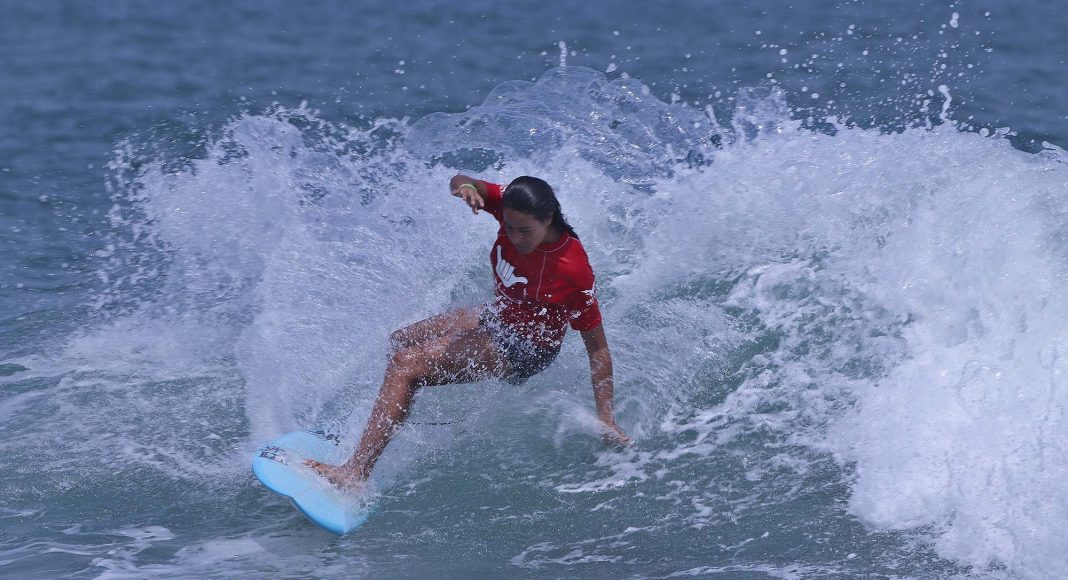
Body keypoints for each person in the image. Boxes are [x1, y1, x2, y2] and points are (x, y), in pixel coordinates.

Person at [307, 175, 631, 488]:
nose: (516, 239)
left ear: (548, 219)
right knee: (400, 340)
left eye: (525, 231)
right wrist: (466, 187)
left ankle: (355, 473)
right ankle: (368, 431)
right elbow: (460, 179)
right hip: (498, 315)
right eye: (509, 227)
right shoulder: (509, 202)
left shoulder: (572, 269)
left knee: (406, 365)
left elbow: (598, 348)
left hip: (526, 346)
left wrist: (606, 418)